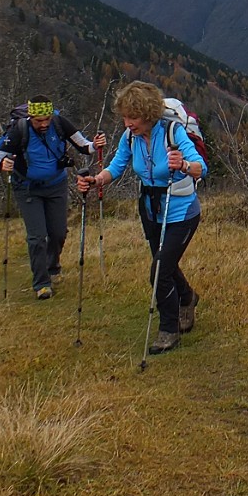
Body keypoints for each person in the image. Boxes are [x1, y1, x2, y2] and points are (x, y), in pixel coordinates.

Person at [79, 80, 207, 353]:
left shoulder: (173, 133)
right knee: (165, 264)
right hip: (150, 209)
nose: (127, 123)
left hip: (181, 211)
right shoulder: (130, 138)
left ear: (148, 114)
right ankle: (187, 297)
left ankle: (169, 329)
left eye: (133, 117)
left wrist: (183, 164)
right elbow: (117, 165)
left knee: (159, 271)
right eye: (125, 116)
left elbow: (201, 168)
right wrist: (98, 180)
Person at [0, 96, 106, 300]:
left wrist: (96, 144)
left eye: (46, 119)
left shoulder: (59, 123)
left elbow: (83, 146)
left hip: (56, 186)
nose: (43, 124)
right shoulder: (19, 130)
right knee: (37, 237)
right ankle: (42, 283)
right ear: (30, 117)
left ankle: (53, 267)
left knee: (58, 233)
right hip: (27, 188)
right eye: (38, 120)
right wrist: (1, 166)